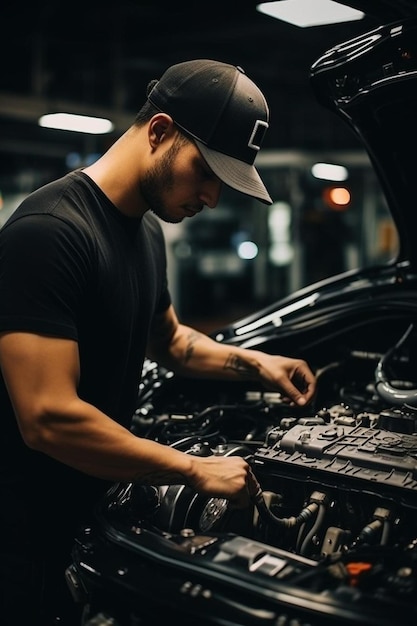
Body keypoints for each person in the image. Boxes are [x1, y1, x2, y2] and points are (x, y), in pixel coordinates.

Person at [0, 59, 316, 625]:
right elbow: (47, 417)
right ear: (160, 131)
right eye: (207, 172)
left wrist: (257, 363)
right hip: (26, 544)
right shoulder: (49, 233)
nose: (214, 197)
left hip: (90, 522)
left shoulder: (144, 229)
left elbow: (170, 342)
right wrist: (193, 468)